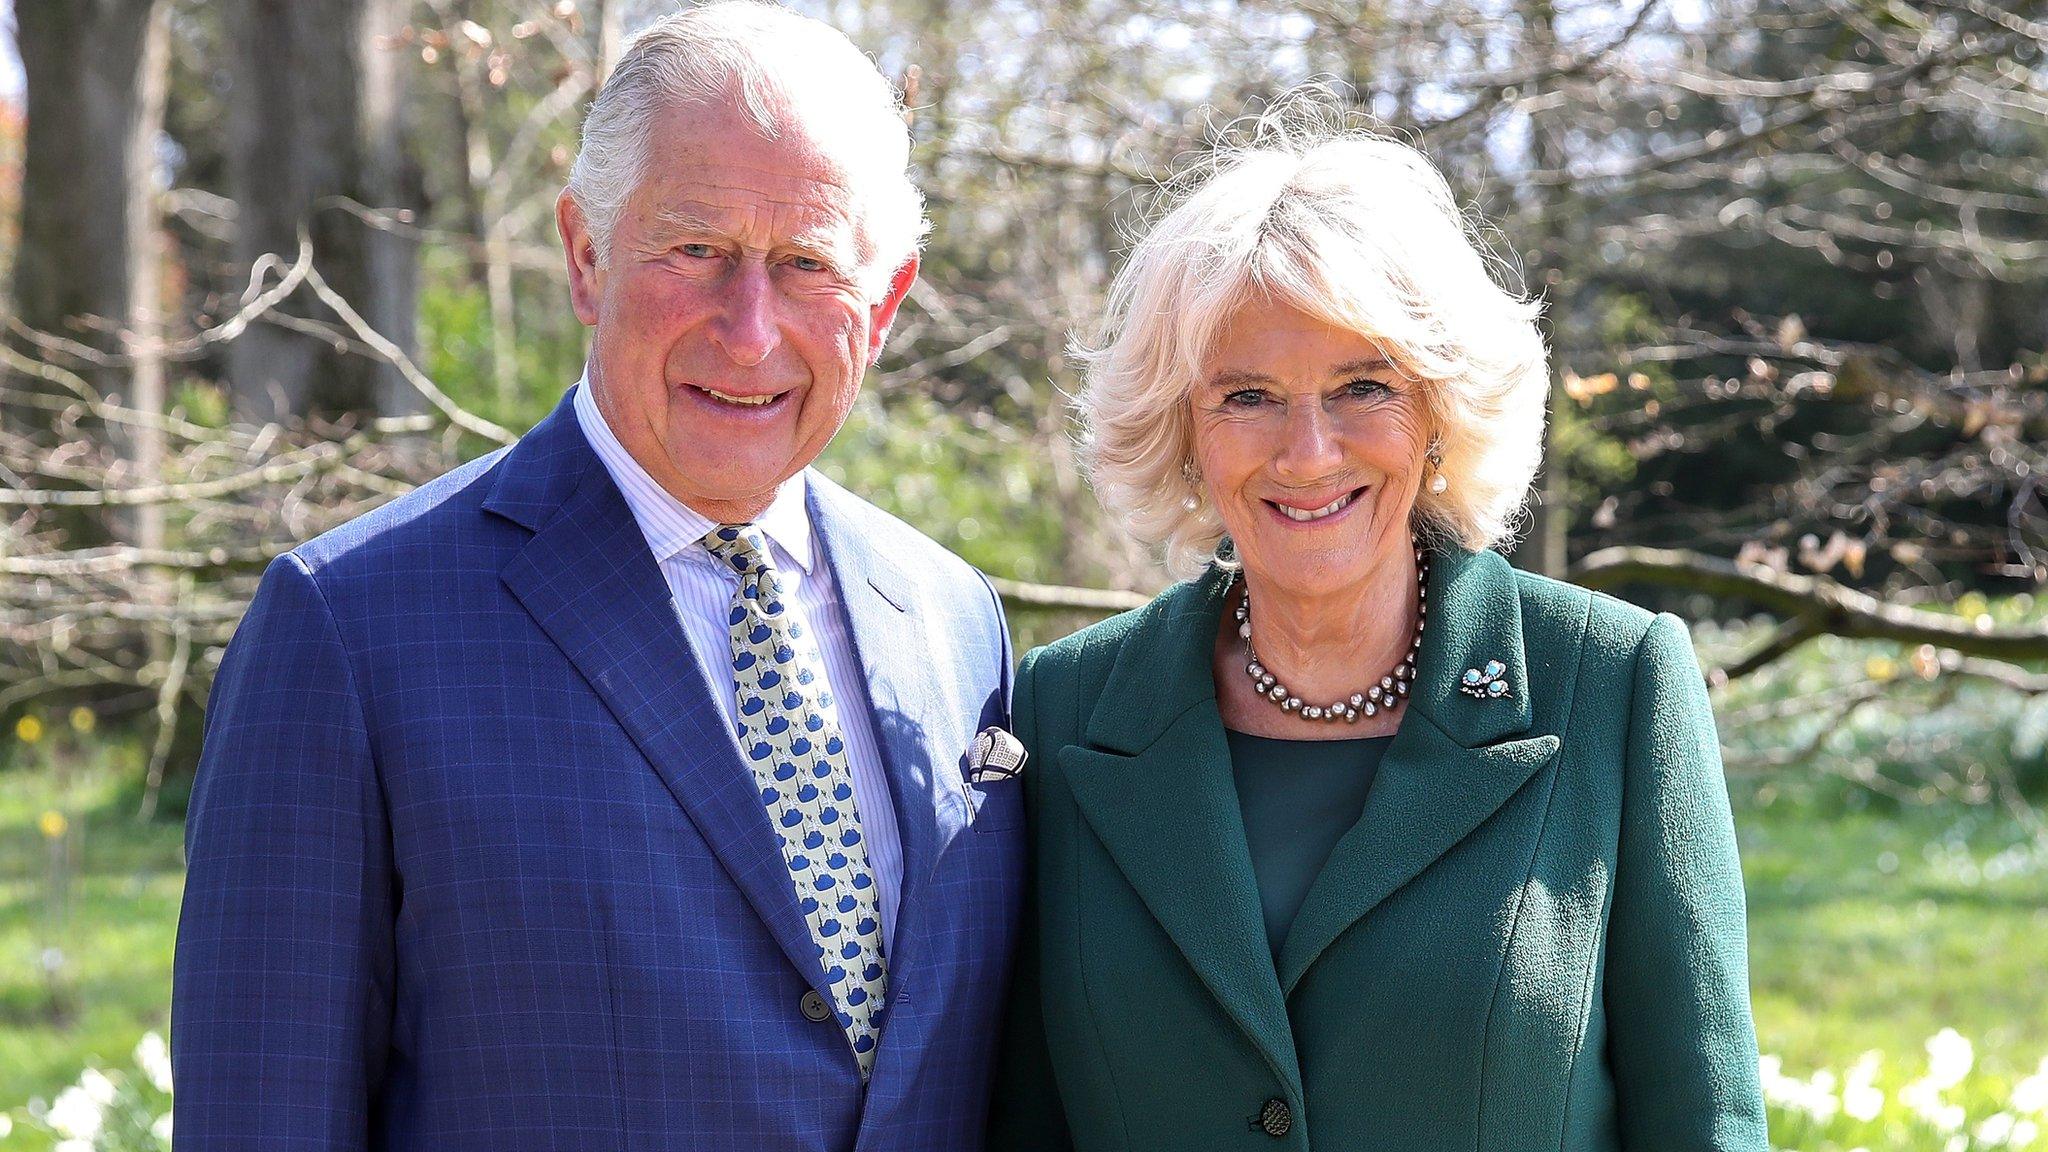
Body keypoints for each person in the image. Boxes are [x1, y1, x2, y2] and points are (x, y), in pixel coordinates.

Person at [172, 6, 1024, 1149]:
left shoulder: (952, 620)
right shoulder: (350, 629)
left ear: (884, 298)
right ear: (585, 255)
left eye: (805, 262)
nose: (749, 328)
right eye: (696, 251)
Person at [988, 112, 1769, 1151]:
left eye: (1363, 387)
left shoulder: (1611, 685)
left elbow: (1702, 1124)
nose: (1307, 453)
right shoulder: (1061, 710)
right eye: (1247, 396)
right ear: (1180, 432)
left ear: (1439, 411)